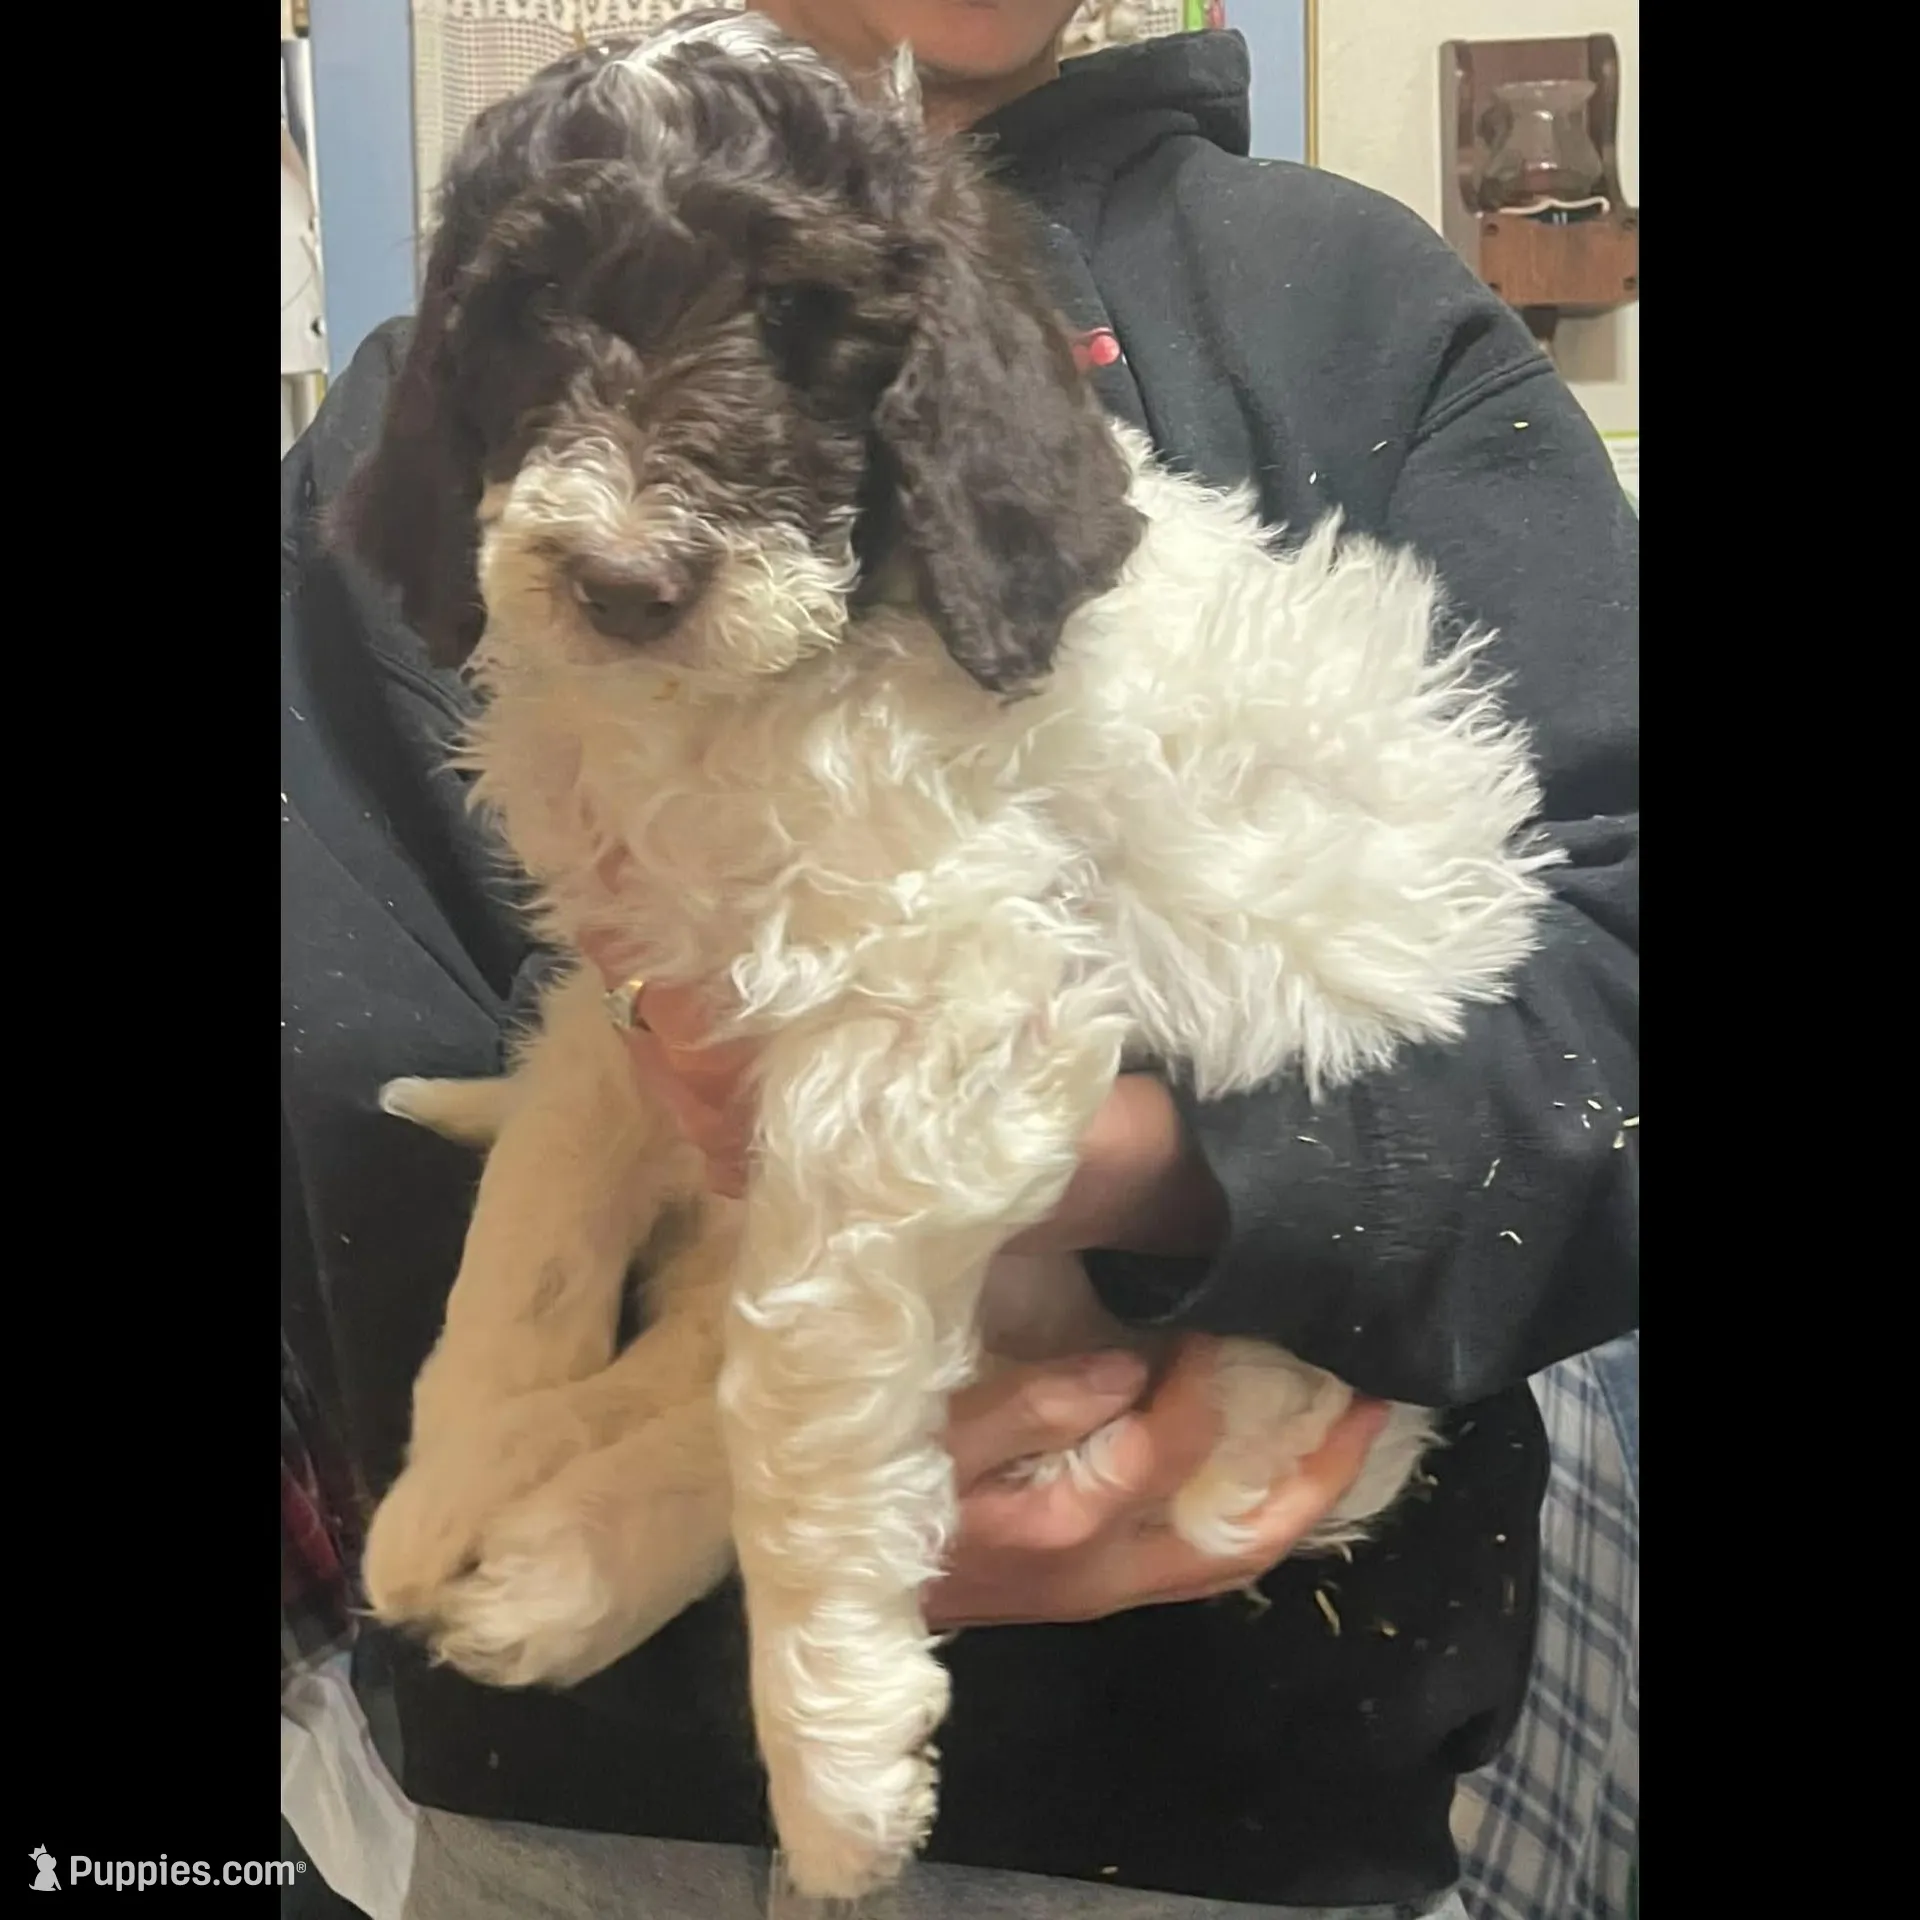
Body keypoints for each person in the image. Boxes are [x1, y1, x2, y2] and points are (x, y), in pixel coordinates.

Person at [278, 4, 1638, 1915]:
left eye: (797, 338)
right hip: (552, 1804)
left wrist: (1146, 1178)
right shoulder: (424, 399)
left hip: (1233, 1797)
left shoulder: (1348, 306)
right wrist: (649, 1470)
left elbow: (1600, 1007)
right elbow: (346, 1077)